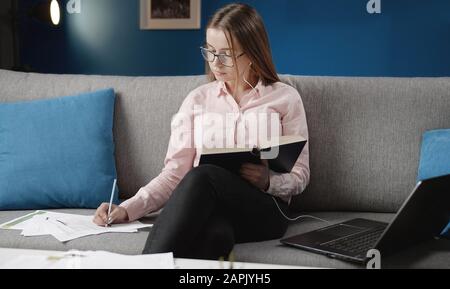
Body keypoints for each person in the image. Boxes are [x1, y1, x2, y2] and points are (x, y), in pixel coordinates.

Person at [93, 3, 310, 260]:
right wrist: (127, 209)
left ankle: (144, 267)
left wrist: (268, 181)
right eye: (210, 51)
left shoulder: (285, 98)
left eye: (226, 54)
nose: (215, 63)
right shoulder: (197, 100)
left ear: (251, 53)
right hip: (211, 208)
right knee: (214, 238)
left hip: (264, 209)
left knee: (203, 174)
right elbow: (174, 175)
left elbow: (301, 174)